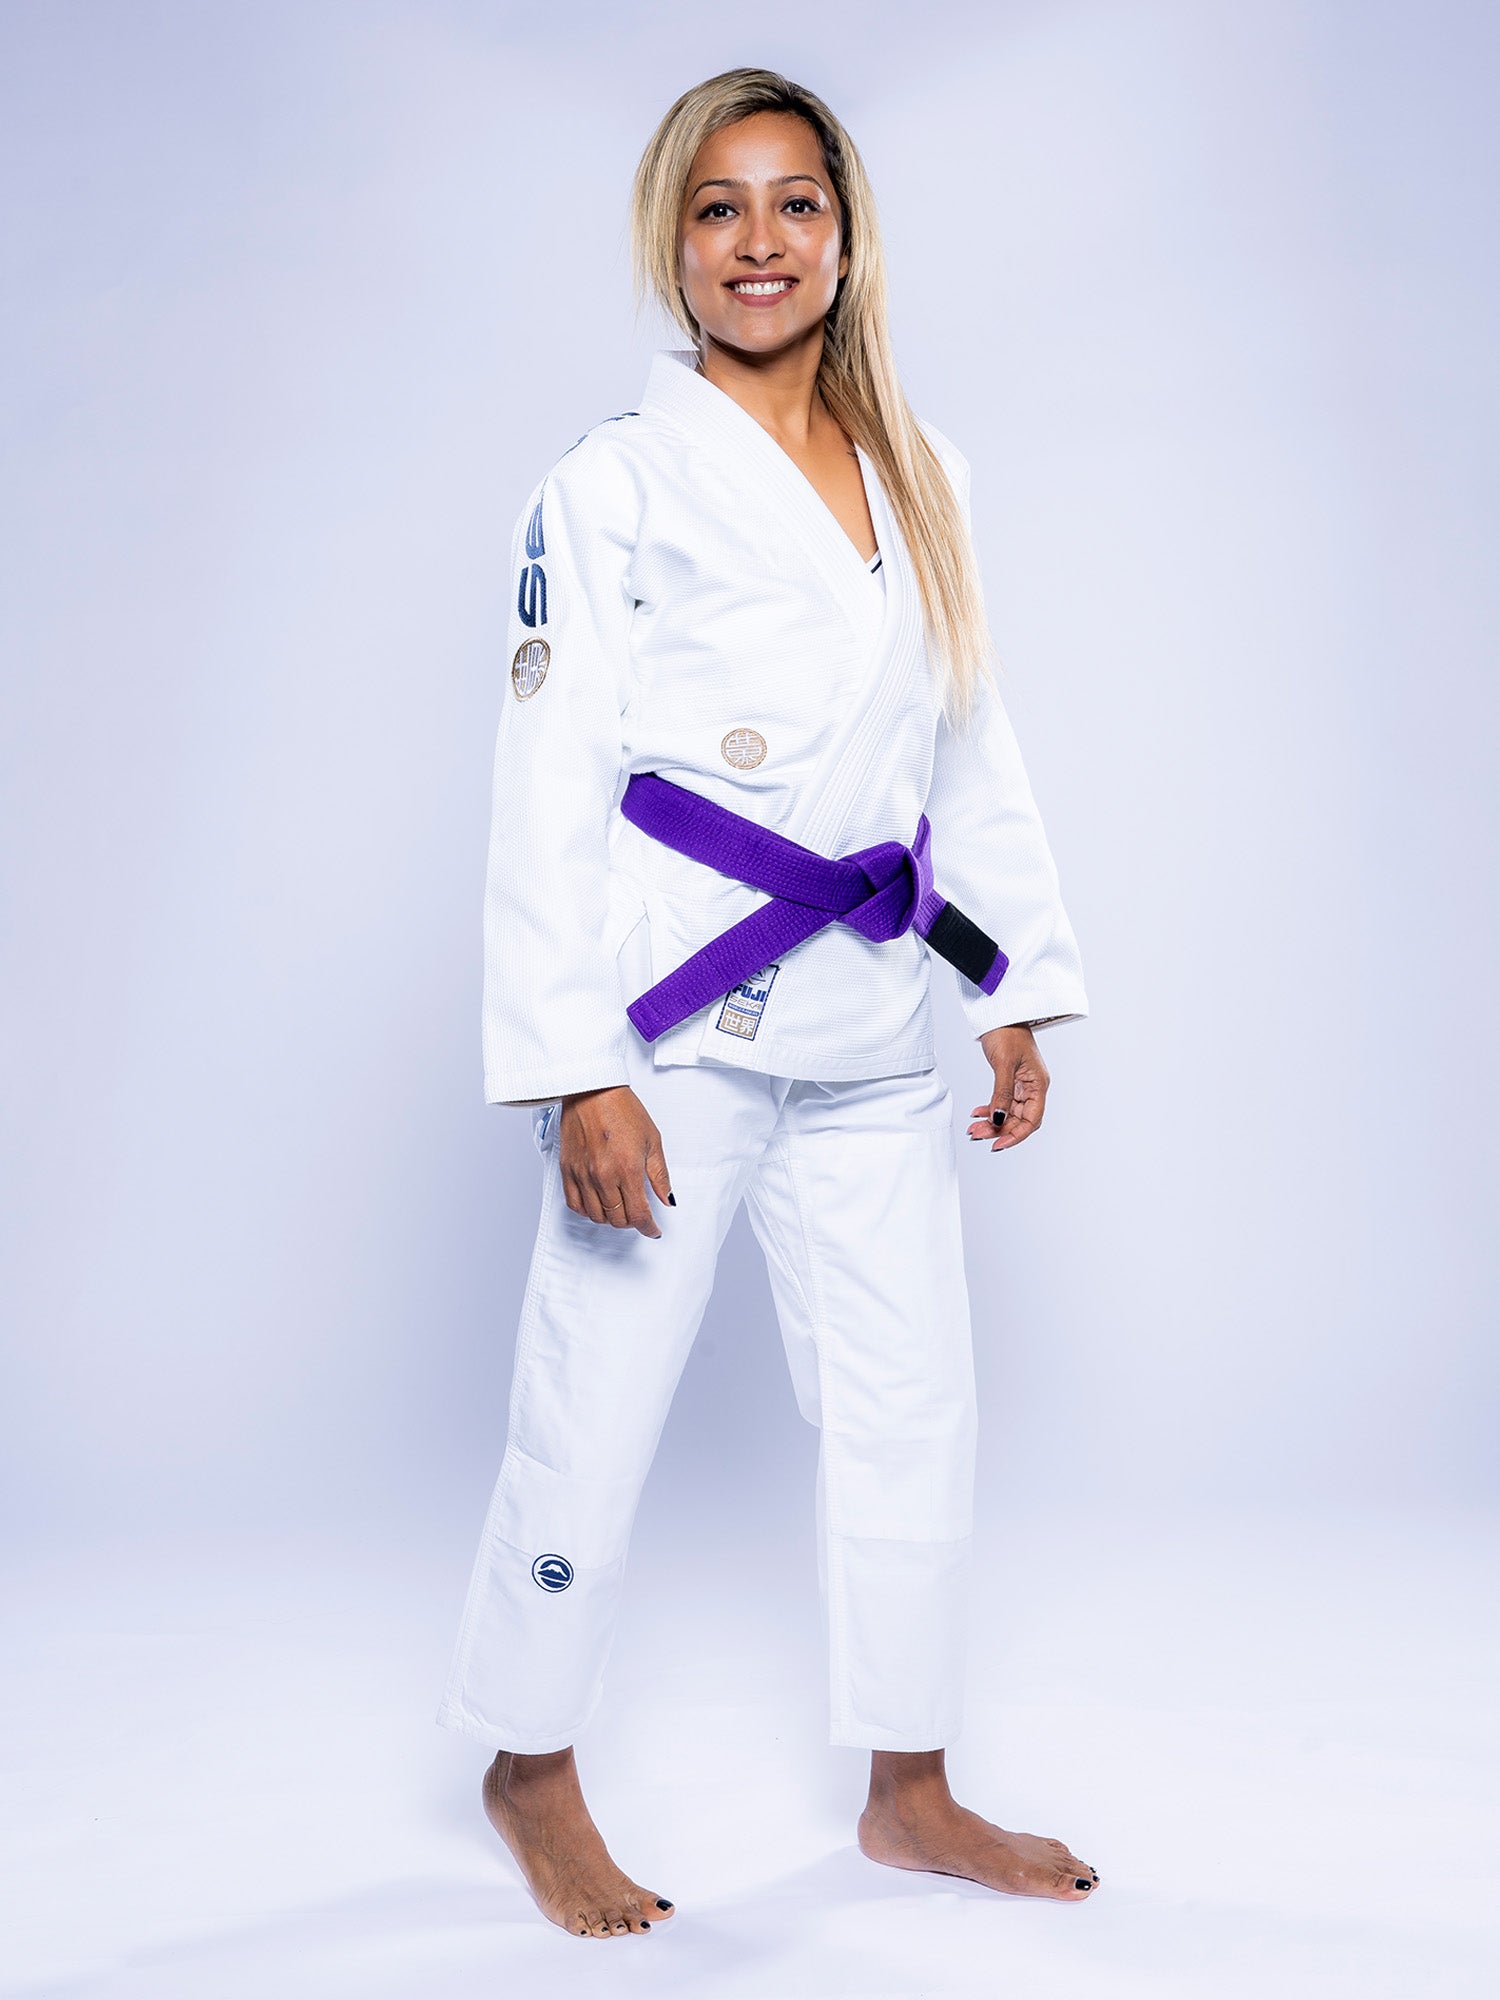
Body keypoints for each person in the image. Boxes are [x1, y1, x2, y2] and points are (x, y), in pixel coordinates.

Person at [437, 68, 1097, 1940]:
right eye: (719, 210)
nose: (758, 243)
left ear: (845, 233)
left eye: (793, 204)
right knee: (599, 1400)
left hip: (882, 1026)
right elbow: (548, 782)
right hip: (675, 1032)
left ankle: (909, 1788)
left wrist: (1012, 990)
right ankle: (526, 1759)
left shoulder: (928, 474)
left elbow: (963, 748)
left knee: (915, 1410)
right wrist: (576, 1072)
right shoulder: (614, 485)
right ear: (675, 240)